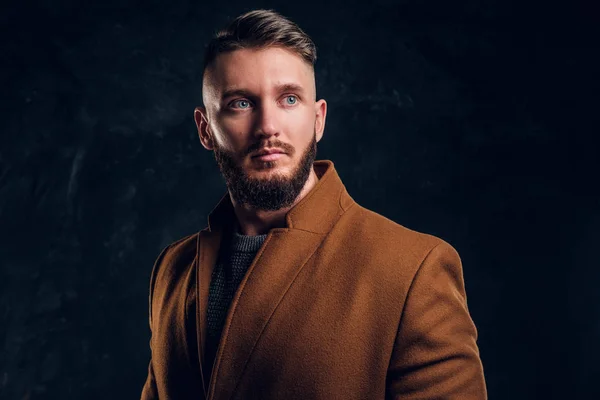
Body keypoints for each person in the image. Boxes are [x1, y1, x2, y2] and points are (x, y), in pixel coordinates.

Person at [140, 8, 487, 400]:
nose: (268, 125)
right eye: (241, 103)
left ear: (318, 119)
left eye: (289, 99)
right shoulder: (172, 269)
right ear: (205, 129)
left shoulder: (413, 270)